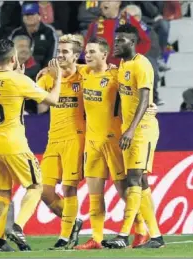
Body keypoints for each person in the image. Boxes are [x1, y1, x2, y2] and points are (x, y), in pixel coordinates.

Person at [0, 39, 62, 252]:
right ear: (14, 59)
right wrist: (58, 78)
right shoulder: (18, 81)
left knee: (3, 193)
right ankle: (18, 227)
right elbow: (52, 100)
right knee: (35, 186)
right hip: (14, 143)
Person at [74, 37, 150, 250]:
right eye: (86, 52)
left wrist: (151, 106)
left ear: (104, 55)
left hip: (115, 142)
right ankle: (96, 239)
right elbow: (66, 66)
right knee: (95, 195)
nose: (87, 55)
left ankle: (141, 231)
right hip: (92, 143)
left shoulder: (117, 76)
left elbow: (137, 92)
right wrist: (48, 70)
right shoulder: (84, 73)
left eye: (92, 52)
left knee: (124, 192)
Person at [102, 23, 165, 249]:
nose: (116, 44)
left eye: (121, 41)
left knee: (134, 179)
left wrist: (130, 130)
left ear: (133, 43)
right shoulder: (122, 65)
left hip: (142, 130)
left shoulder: (142, 65)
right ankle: (156, 237)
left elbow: (145, 99)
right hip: (129, 130)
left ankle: (123, 234)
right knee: (142, 182)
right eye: (115, 40)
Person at [36, 34, 85, 250]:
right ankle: (73, 222)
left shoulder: (86, 75)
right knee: (44, 191)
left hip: (76, 139)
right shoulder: (47, 77)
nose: (61, 55)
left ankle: (64, 238)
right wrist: (51, 77)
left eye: (65, 52)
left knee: (69, 188)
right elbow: (40, 105)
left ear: (76, 56)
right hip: (53, 139)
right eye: (59, 51)